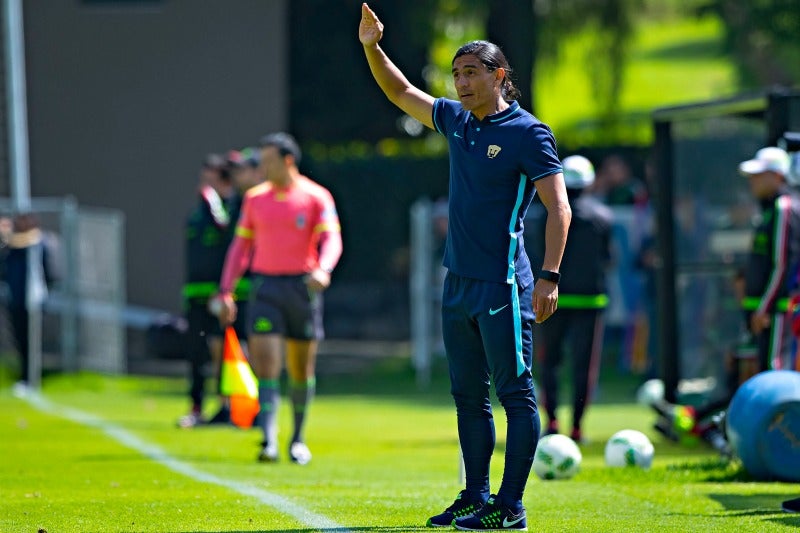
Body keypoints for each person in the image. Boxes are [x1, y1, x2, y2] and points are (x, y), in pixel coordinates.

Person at [359, 4, 571, 530]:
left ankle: (511, 506)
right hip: (458, 284)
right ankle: (476, 496)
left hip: (505, 283)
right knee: (467, 397)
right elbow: (402, 92)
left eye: (471, 72)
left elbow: (560, 208)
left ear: (499, 76)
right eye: (456, 74)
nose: (461, 83)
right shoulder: (456, 120)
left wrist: (548, 277)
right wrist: (372, 47)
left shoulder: (528, 133)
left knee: (516, 396)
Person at [652, 146, 800, 456]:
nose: (752, 183)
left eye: (758, 176)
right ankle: (717, 430)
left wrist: (765, 306)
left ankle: (778, 449)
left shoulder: (786, 208)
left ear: (777, 176)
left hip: (777, 314)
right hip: (762, 314)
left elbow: (783, 263)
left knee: (774, 378)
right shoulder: (771, 211)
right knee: (753, 375)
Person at [214, 132, 343, 465]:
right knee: (267, 364)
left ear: (287, 161)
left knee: (301, 369)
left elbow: (332, 239)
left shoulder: (317, 197)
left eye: (268, 162)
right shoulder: (255, 199)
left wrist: (324, 269)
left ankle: (297, 439)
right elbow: (241, 248)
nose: (262, 168)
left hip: (303, 290)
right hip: (266, 289)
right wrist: (226, 289)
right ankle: (268, 440)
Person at [527, 155, 612, 444]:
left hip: (552, 299)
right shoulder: (603, 218)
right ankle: (576, 428)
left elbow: (538, 254)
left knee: (549, 362)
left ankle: (551, 423)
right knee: (583, 366)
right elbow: (608, 260)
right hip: (590, 302)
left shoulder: (543, 216)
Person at [177, 153, 251, 428]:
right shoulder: (199, 211)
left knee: (224, 349)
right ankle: (196, 406)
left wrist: (222, 290)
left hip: (219, 295)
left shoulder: (230, 209)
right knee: (197, 352)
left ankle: (230, 406)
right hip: (195, 294)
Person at [0, 213, 55, 392]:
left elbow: (50, 273)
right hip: (16, 300)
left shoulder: (40, 245)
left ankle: (32, 378)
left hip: (34, 301)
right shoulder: (10, 250)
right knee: (21, 340)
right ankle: (25, 377)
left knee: (33, 341)